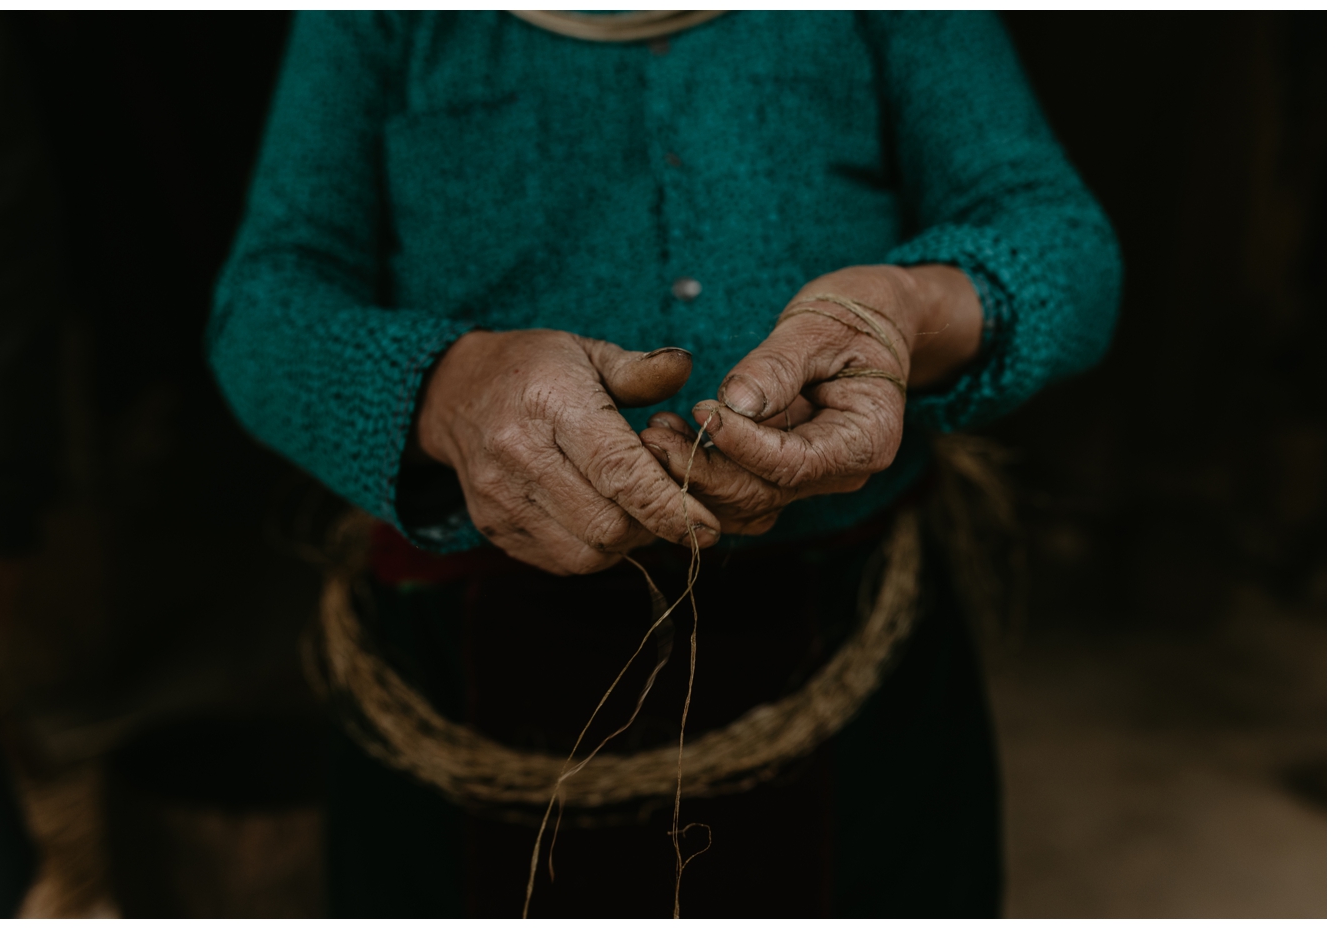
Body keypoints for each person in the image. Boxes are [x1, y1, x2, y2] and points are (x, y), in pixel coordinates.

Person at [209, 11, 1119, 917]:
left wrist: (906, 314)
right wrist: (451, 393)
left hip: (849, 630)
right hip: (472, 648)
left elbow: (1061, 240)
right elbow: (262, 304)